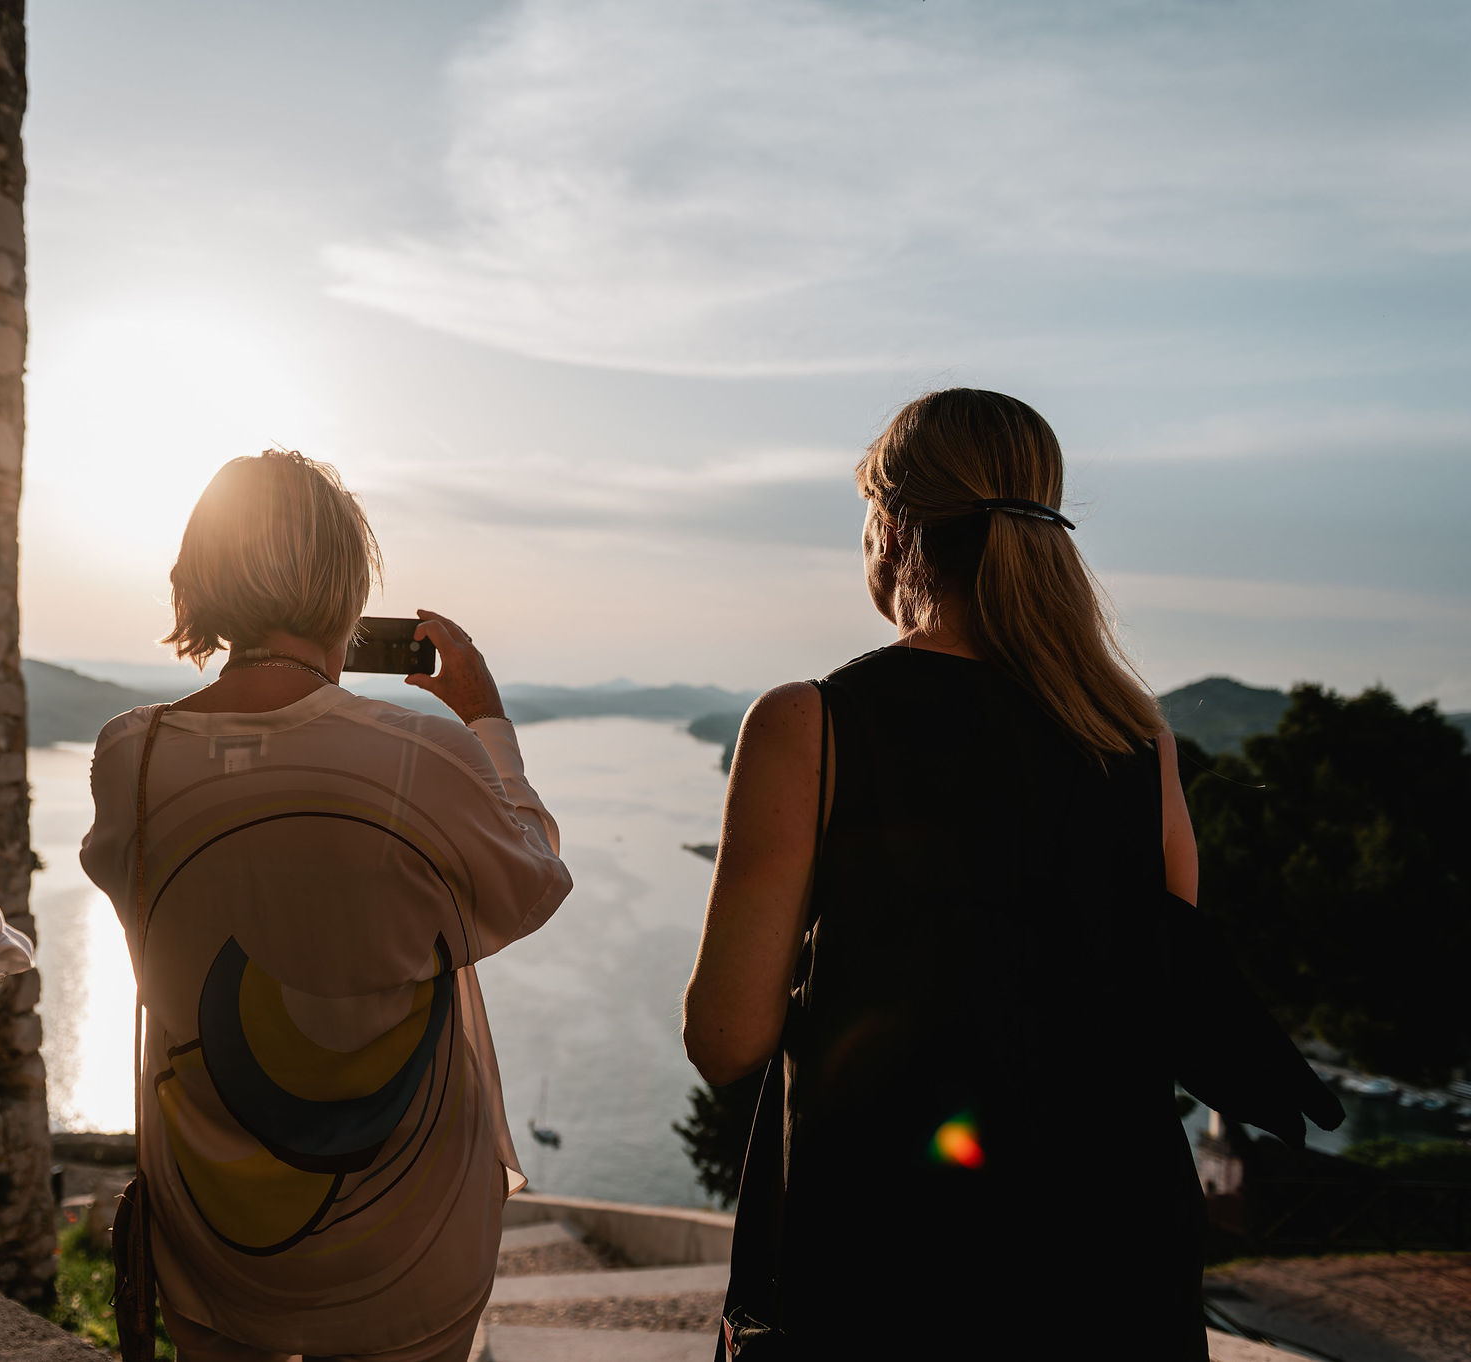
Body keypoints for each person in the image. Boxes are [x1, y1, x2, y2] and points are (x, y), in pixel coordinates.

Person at [683, 390, 1325, 1358]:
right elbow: (1152, 993)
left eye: (865, 511)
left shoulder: (806, 727)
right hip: (1117, 1276)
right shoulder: (1139, 747)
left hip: (884, 1279)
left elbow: (725, 1040)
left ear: (895, 529)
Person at [81, 449, 572, 1362]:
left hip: (213, 1224)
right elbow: (533, 880)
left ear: (204, 578)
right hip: (406, 1226)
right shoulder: (417, 751)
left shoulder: (129, 755)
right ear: (346, 586)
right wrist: (488, 728)